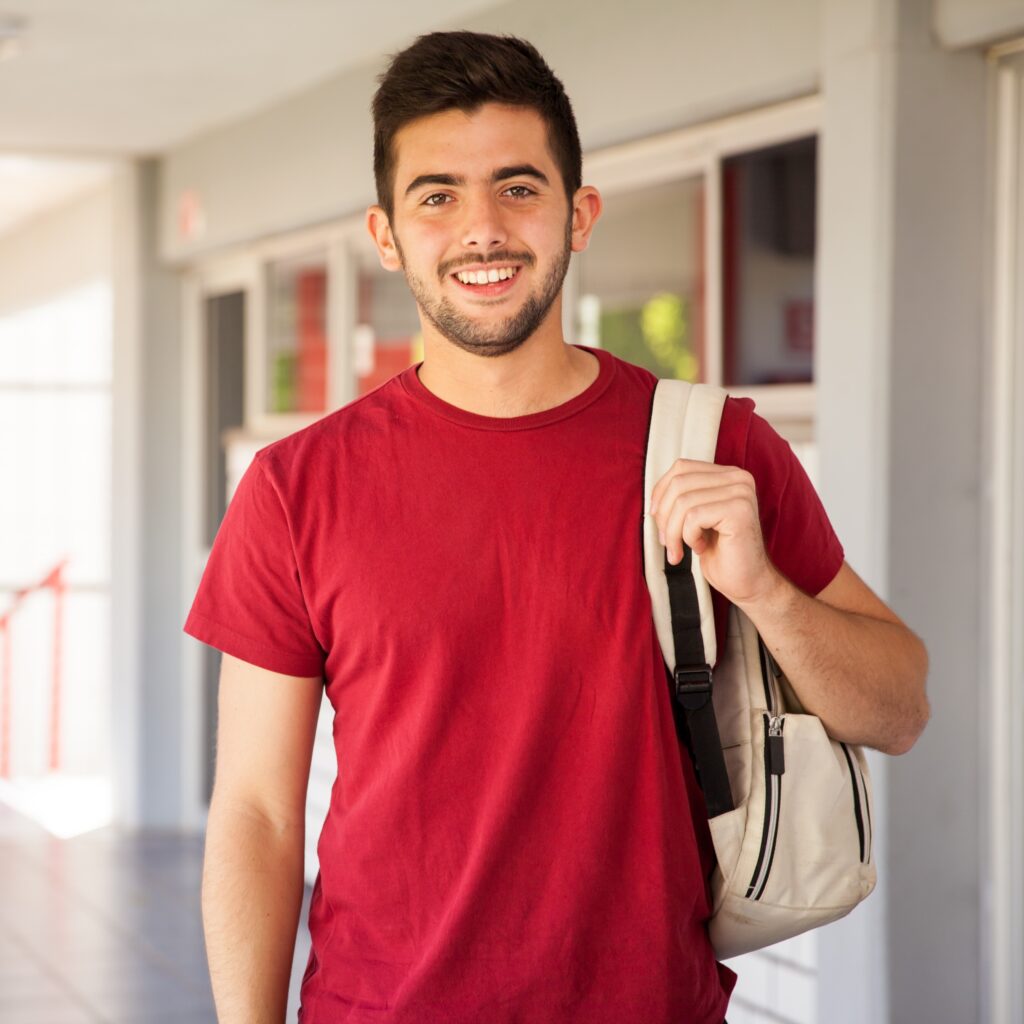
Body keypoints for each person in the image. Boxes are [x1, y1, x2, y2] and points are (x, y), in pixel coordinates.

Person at [185, 30, 930, 1024]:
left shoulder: (713, 448)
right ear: (386, 234)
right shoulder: (296, 488)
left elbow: (898, 709)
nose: (481, 228)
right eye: (437, 195)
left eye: (518, 187)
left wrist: (763, 592)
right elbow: (258, 812)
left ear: (578, 214)